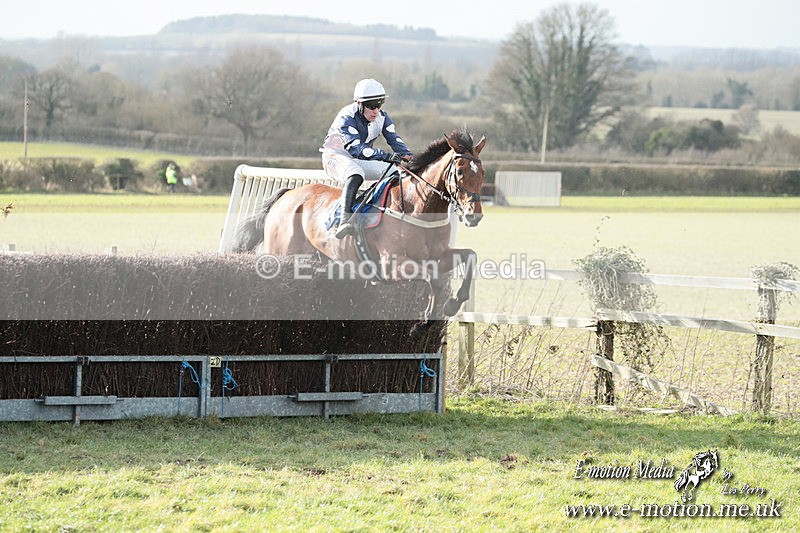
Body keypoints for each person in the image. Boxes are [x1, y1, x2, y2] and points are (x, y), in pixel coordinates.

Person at [321, 78, 413, 238]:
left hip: (359, 159)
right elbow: (357, 150)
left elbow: (395, 141)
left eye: (379, 105)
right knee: (355, 174)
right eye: (371, 106)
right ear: (359, 104)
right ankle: (345, 220)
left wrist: (412, 159)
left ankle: (379, 209)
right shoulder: (346, 117)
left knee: (396, 173)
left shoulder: (382, 117)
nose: (376, 110)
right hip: (336, 157)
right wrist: (386, 156)